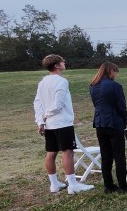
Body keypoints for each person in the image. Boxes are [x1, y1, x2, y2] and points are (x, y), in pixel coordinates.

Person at [33, 54, 94, 194]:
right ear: (57, 65)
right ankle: (73, 185)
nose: (64, 63)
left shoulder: (42, 82)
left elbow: (37, 103)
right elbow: (58, 105)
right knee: (67, 152)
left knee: (51, 153)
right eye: (62, 62)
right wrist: (45, 116)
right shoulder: (61, 81)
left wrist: (41, 122)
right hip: (62, 123)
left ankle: (54, 184)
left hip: (49, 124)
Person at [89, 62, 127, 193]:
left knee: (106, 155)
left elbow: (96, 104)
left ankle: (108, 186)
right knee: (119, 155)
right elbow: (121, 106)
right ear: (110, 71)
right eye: (115, 72)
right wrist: (124, 121)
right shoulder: (115, 86)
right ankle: (123, 186)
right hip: (114, 123)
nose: (116, 75)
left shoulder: (93, 86)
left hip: (99, 123)